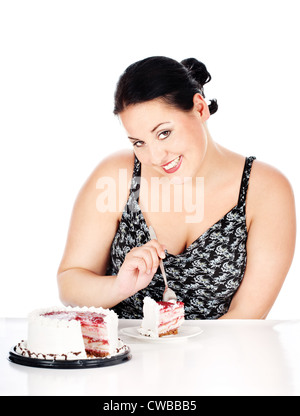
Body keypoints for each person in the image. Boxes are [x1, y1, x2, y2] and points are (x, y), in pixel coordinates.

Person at [57, 56, 296, 319]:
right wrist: (118, 287)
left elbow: (246, 317)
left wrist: (180, 360)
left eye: (164, 133)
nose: (156, 157)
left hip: (221, 358)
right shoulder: (118, 176)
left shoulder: (265, 190)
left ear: (199, 107)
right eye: (139, 143)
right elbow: (70, 283)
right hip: (122, 358)